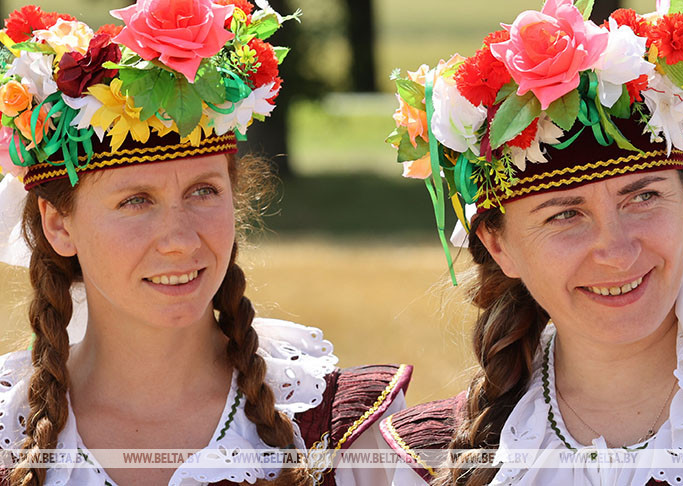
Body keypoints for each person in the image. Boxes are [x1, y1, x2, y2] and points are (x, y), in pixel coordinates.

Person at [376, 0, 683, 484]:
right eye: (565, 215)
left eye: (644, 197)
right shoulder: (437, 461)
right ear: (498, 246)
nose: (617, 250)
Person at [0, 2, 409, 485]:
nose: (179, 240)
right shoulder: (12, 430)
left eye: (203, 191)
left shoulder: (336, 430)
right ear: (59, 225)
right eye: (135, 200)